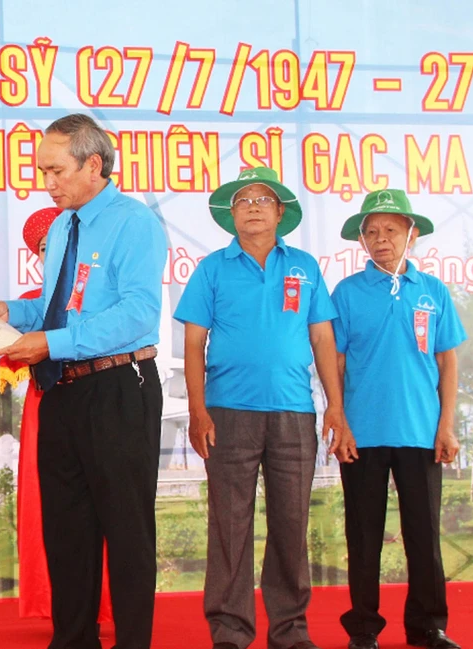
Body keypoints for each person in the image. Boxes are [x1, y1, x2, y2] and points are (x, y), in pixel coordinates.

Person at [0, 113, 167, 649]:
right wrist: (10, 311)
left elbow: (138, 314)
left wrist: (51, 342)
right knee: (67, 531)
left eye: (56, 170)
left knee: (126, 532)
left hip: (118, 387)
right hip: (61, 390)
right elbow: (56, 307)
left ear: (93, 165)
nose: (47, 183)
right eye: (43, 171)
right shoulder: (62, 226)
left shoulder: (134, 223)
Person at [173, 166, 354, 649]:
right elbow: (193, 344)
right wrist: (198, 410)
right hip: (227, 412)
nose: (253, 207)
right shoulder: (212, 268)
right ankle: (230, 631)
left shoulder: (305, 267)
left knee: (292, 525)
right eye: (243, 201)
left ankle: (290, 631)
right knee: (229, 526)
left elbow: (323, 338)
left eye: (262, 199)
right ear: (231, 215)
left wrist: (335, 406)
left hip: (295, 411)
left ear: (280, 212)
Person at [332, 190, 467, 649]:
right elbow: (336, 363)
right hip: (362, 433)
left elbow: (447, 362)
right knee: (363, 535)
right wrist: (341, 422)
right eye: (371, 232)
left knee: (424, 534)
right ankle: (364, 629)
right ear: (361, 241)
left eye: (391, 230)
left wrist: (446, 425)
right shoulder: (347, 293)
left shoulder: (433, 291)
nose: (380, 239)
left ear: (412, 235)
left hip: (421, 431)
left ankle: (428, 625)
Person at [0, 207, 114, 627]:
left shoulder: (98, 292)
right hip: (44, 404)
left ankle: (106, 606)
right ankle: (63, 608)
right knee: (51, 507)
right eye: (45, 248)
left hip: (98, 397)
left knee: (102, 503)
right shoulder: (29, 302)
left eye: (61, 244)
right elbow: (11, 361)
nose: (54, 254)